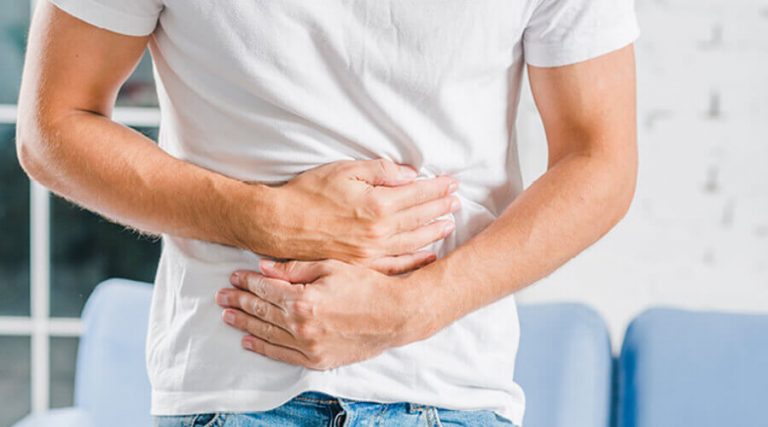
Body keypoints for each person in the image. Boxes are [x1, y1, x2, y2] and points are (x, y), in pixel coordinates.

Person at [16, 0, 639, 425]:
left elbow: (599, 159)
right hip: (231, 391)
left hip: (451, 392)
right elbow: (52, 126)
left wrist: (414, 308)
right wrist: (268, 218)